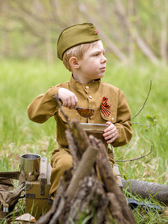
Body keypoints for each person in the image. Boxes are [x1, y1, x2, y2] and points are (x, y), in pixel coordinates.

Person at [27, 23, 132, 197]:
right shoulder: (60, 92)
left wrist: (117, 132)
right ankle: (61, 206)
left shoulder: (114, 94)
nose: (104, 59)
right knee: (65, 167)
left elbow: (126, 128)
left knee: (106, 175)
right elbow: (34, 114)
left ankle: (102, 212)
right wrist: (55, 94)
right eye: (96, 55)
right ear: (75, 62)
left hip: (101, 154)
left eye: (103, 53)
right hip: (68, 152)